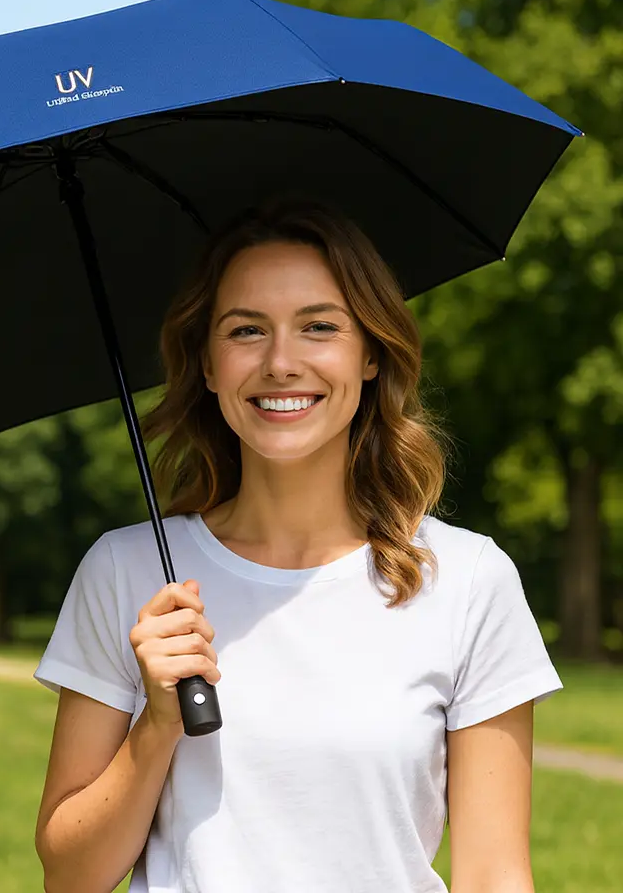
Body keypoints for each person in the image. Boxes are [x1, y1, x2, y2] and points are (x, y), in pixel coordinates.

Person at [32, 198, 561, 893]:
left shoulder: (467, 581)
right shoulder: (127, 572)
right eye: (246, 331)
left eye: (318, 327)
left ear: (370, 354)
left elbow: (495, 875)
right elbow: (70, 878)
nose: (281, 362)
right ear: (209, 365)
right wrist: (157, 725)